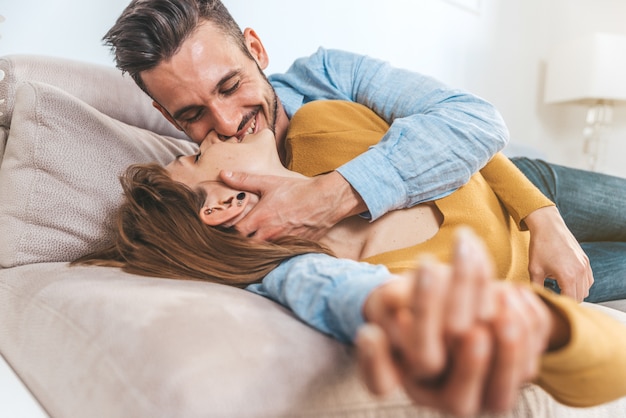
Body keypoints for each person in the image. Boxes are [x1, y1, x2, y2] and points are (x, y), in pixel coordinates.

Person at [75, 100, 626, 416]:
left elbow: (461, 133)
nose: (214, 129)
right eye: (198, 154)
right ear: (224, 203)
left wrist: (541, 214)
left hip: (530, 187)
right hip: (547, 280)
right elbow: (334, 291)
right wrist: (541, 327)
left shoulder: (319, 124)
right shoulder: (375, 276)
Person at [102, 0, 626, 304]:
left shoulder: (329, 79)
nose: (225, 122)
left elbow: (472, 121)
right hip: (518, 276)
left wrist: (543, 215)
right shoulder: (231, 210)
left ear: (257, 51)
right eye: (191, 115)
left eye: (230, 84)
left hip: (521, 183)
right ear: (168, 117)